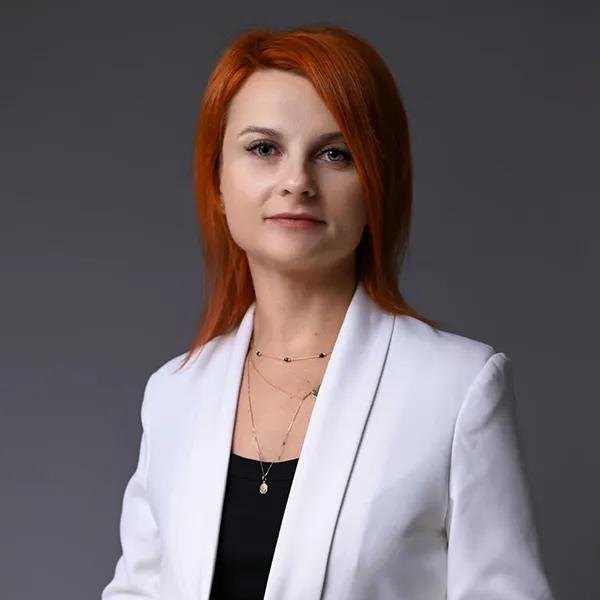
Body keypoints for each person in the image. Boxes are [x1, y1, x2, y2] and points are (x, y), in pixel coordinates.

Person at [101, 23, 554, 600]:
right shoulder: (173, 395)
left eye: (335, 154)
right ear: (217, 181)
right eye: (263, 149)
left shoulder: (456, 388)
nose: (297, 182)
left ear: (376, 184)